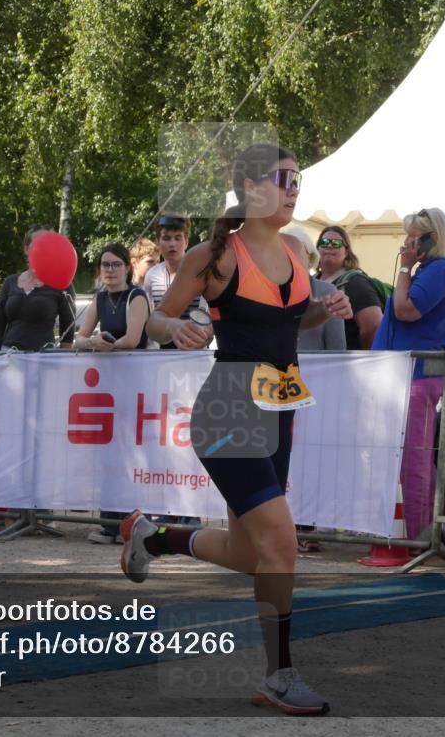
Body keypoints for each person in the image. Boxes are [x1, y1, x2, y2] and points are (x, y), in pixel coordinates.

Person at [121, 143, 352, 715]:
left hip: (279, 411)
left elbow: (295, 322)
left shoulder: (297, 252)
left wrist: (330, 309)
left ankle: (154, 537)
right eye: (283, 179)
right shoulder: (214, 254)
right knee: (283, 545)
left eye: (298, 180)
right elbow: (155, 319)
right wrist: (175, 328)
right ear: (251, 189)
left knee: (255, 555)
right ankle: (279, 676)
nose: (294, 188)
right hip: (228, 409)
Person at [371, 207, 445, 542]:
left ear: (430, 238)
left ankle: (418, 536)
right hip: (409, 375)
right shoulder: (434, 269)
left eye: (412, 237)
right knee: (414, 460)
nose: (406, 243)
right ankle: (421, 533)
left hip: (419, 377)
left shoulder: (437, 270)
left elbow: (406, 310)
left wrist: (406, 267)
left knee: (415, 462)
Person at [74, 243, 151, 544]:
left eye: (115, 264)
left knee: (130, 454)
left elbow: (132, 339)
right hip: (107, 387)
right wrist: (93, 342)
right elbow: (79, 337)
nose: (109, 270)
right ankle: (110, 524)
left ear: (127, 267)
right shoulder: (100, 297)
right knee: (108, 453)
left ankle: (131, 524)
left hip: (133, 383)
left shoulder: (137, 296)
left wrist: (104, 344)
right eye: (105, 265)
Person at [287, 227, 346, 552]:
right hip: (278, 390)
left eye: (296, 254)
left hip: (316, 392)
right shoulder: (270, 291)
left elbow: (337, 348)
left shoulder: (325, 290)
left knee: (311, 460)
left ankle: (307, 527)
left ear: (309, 258)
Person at [0, 225, 76, 351]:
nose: (43, 249)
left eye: (47, 245)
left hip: (43, 360)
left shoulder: (62, 284)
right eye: (38, 244)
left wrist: (62, 360)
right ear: (26, 249)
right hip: (8, 358)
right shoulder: (10, 282)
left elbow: (68, 327)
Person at [142, 213, 208, 350]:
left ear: (186, 241)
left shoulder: (201, 273)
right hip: (161, 352)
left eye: (178, 238)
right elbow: (148, 317)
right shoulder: (151, 275)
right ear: (158, 242)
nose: (172, 244)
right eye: (166, 238)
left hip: (195, 349)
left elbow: (207, 315)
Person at [315, 226, 383, 351]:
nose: (329, 246)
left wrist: (362, 360)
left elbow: (374, 326)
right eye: (324, 242)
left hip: (344, 364)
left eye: (336, 243)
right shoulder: (312, 281)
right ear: (317, 248)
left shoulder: (356, 282)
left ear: (346, 252)